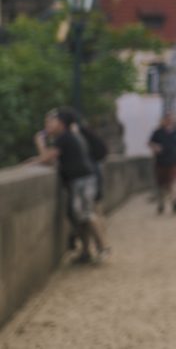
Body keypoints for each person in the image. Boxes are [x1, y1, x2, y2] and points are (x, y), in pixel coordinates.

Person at [28, 107, 110, 263]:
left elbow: (47, 159)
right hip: (83, 179)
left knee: (86, 214)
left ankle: (103, 247)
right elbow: (51, 158)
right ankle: (86, 252)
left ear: (61, 123)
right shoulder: (69, 137)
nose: (48, 125)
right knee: (81, 217)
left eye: (52, 121)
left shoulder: (63, 138)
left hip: (82, 181)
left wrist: (39, 142)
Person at [149, 114, 176, 215]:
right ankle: (161, 203)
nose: (168, 121)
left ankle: (174, 202)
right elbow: (151, 143)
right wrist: (156, 148)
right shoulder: (157, 132)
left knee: (172, 182)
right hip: (161, 161)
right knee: (161, 184)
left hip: (173, 161)